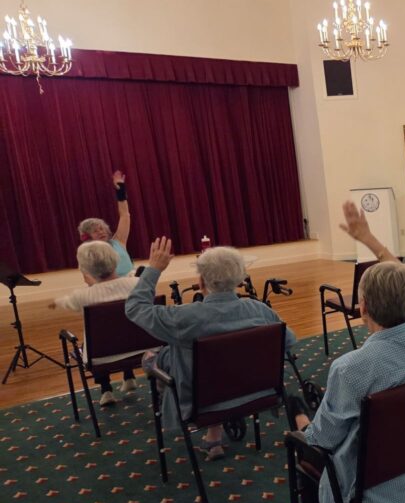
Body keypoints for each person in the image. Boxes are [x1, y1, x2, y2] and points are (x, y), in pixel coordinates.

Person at [287, 201, 405, 503]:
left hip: (372, 487)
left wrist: (303, 427)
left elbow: (324, 441)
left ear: (361, 309)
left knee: (302, 436)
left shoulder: (350, 368)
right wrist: (371, 240)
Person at [125, 238, 296, 461]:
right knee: (211, 359)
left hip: (201, 403)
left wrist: (154, 269)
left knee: (156, 357)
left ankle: (174, 398)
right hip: (256, 394)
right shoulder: (260, 311)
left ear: (201, 282)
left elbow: (135, 308)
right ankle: (214, 434)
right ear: (239, 279)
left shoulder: (183, 318)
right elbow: (289, 340)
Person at [50, 241, 141, 405]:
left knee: (97, 340)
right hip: (143, 350)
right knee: (124, 330)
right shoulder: (137, 284)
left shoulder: (82, 296)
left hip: (100, 358)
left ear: (85, 269)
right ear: (115, 260)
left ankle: (106, 390)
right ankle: (129, 377)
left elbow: (66, 302)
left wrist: (55, 302)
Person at [77, 170, 134, 277]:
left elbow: (125, 215)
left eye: (101, 229)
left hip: (131, 283)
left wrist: (120, 190)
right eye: (95, 231)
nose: (100, 232)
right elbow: (89, 279)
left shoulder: (118, 241)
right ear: (86, 236)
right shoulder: (87, 254)